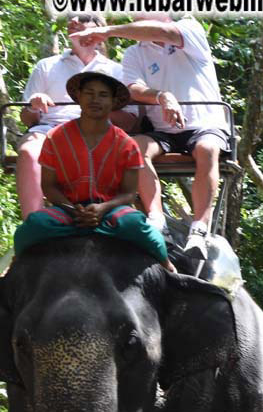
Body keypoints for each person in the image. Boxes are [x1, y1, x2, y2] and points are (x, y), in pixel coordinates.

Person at [74, 14, 230, 240]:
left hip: (203, 124)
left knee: (206, 149)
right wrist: (161, 96)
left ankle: (199, 227)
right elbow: (133, 88)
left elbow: (163, 32)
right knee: (134, 147)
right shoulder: (134, 53)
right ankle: (157, 219)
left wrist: (107, 31)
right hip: (163, 130)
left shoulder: (189, 27)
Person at [13, 71, 174, 273]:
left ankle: (169, 269)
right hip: (67, 211)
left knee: (141, 228)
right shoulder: (56, 137)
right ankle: (15, 269)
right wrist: (73, 209)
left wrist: (103, 208)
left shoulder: (127, 144)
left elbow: (129, 193)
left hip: (111, 213)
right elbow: (49, 185)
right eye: (89, 93)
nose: (95, 99)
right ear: (78, 97)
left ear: (113, 102)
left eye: (103, 95)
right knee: (33, 226)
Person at [16, 13, 135, 219]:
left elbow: (131, 121)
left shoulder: (116, 70)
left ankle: (115, 216)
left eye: (84, 17)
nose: (74, 20)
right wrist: (35, 105)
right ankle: (33, 221)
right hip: (50, 129)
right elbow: (27, 118)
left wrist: (101, 108)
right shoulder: (46, 66)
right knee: (28, 151)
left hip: (98, 130)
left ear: (99, 30)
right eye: (71, 17)